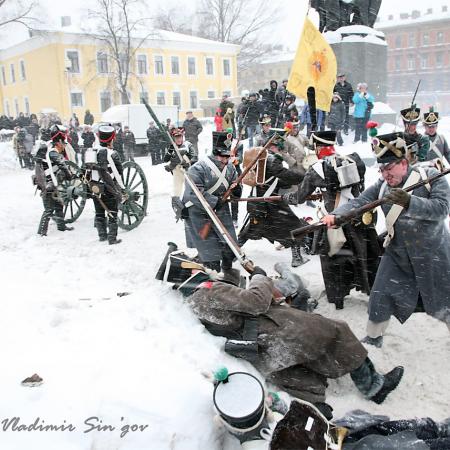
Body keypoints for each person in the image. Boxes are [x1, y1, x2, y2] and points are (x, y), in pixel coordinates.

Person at [159, 253, 404, 406]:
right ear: (189, 270)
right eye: (194, 263)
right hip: (274, 329)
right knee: (337, 330)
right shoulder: (208, 292)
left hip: (263, 337)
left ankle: (325, 392)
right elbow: (255, 302)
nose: (199, 263)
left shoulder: (196, 298)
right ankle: (375, 387)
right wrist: (259, 276)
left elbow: (234, 304)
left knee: (317, 337)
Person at [321, 131, 450, 346]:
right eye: (381, 169)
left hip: (433, 254)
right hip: (398, 254)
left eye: (389, 168)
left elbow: (442, 209)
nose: (385, 174)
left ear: (403, 163)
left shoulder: (430, 178)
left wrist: (409, 202)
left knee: (445, 300)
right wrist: (336, 215)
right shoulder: (382, 186)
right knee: (380, 295)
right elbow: (360, 202)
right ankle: (373, 337)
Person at [283, 131, 380, 309]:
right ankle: (371, 290)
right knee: (363, 256)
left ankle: (337, 297)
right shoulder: (353, 161)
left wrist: (285, 198)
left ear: (318, 148)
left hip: (334, 221)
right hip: (357, 218)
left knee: (332, 260)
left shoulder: (318, 169)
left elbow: (299, 197)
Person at [238, 132, 308, 267]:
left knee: (252, 228)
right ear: (273, 146)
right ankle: (297, 258)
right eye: (278, 146)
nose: (280, 149)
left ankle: (233, 249)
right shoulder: (272, 159)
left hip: (258, 201)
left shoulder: (261, 158)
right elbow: (283, 174)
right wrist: (304, 178)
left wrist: (286, 183)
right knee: (294, 226)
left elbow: (271, 179)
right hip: (272, 203)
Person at [182, 131, 241, 272]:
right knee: (210, 252)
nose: (225, 160)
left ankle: (227, 275)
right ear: (215, 153)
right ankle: (210, 275)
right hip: (199, 211)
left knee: (230, 246)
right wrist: (215, 201)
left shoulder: (231, 168)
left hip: (221, 209)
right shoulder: (198, 168)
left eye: (228, 156)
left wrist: (237, 189)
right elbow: (193, 194)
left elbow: (235, 189)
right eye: (223, 156)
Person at [34, 124, 74, 236]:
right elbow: (62, 165)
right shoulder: (53, 153)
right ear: (59, 142)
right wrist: (69, 176)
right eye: (64, 143)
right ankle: (41, 232)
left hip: (53, 183)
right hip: (48, 184)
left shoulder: (51, 151)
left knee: (59, 205)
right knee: (48, 210)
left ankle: (61, 226)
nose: (64, 146)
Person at [90, 125, 124, 245]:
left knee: (99, 212)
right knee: (112, 213)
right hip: (109, 188)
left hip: (95, 187)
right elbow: (119, 172)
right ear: (111, 139)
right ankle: (112, 238)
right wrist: (122, 189)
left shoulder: (92, 151)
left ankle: (102, 235)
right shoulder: (113, 154)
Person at [164, 127, 197, 210]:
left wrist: (188, 162)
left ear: (182, 137)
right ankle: (177, 205)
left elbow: (195, 157)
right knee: (177, 189)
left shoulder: (188, 145)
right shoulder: (172, 147)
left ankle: (192, 203)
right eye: (176, 138)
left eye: (180, 137)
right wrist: (170, 151)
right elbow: (166, 159)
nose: (178, 139)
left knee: (191, 188)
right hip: (177, 171)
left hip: (188, 170)